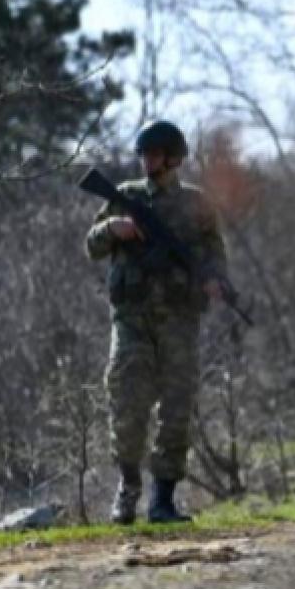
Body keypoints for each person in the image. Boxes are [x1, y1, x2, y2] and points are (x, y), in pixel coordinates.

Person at [84, 120, 227, 524]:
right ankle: (128, 489)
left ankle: (162, 500)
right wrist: (112, 228)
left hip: (180, 321)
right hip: (131, 321)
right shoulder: (125, 196)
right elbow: (91, 246)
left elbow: (216, 255)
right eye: (144, 154)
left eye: (155, 154)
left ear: (173, 158)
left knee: (177, 410)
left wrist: (216, 281)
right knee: (127, 404)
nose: (147, 161)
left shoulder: (197, 204)